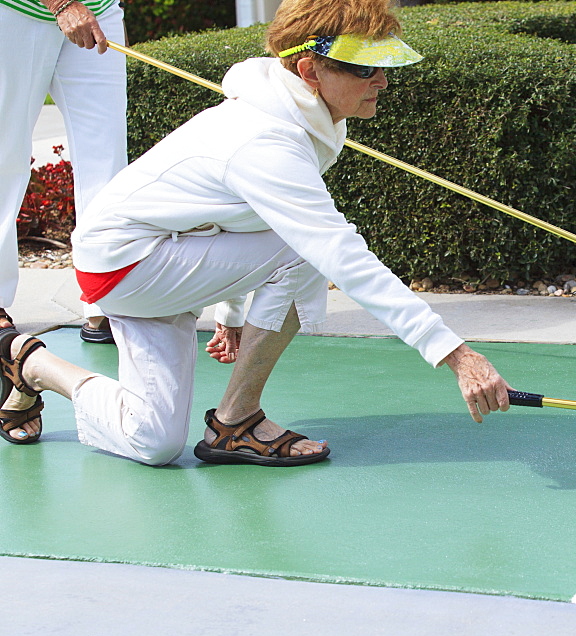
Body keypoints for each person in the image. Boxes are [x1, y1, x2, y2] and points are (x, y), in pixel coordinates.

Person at [0, 0, 513, 465]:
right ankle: (236, 421)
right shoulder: (268, 138)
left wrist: (230, 311)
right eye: (364, 68)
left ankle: (31, 365)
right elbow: (336, 251)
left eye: (384, 65)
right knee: (310, 246)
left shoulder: (303, 111)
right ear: (309, 70)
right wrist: (456, 354)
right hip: (127, 269)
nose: (381, 79)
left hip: (165, 261)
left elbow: (242, 214)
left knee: (153, 443)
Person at [0, 0, 125, 345]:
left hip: (98, 10)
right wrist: (61, 4)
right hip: (15, 12)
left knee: (107, 158)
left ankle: (104, 299)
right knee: (3, 159)